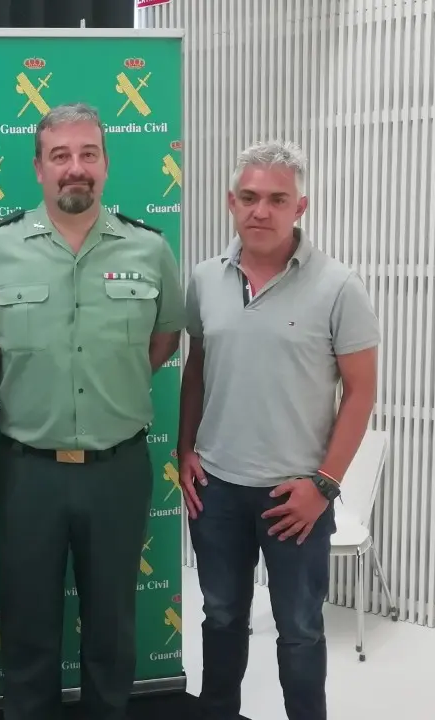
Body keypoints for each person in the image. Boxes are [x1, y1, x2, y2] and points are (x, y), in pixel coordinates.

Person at [0, 102, 185, 720]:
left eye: (88, 154)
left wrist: (112, 381)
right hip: (28, 470)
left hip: (117, 469)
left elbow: (163, 339)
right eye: (60, 155)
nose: (75, 167)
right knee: (27, 623)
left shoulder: (149, 248)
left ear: (106, 164)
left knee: (113, 626)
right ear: (38, 167)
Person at [178, 139, 380, 720]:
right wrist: (185, 447)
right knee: (221, 617)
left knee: (299, 629)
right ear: (231, 202)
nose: (260, 211)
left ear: (300, 207)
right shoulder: (204, 279)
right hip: (216, 490)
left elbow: (361, 392)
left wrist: (325, 484)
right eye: (248, 197)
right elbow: (197, 367)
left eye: (276, 199)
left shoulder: (339, 286)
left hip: (297, 496)